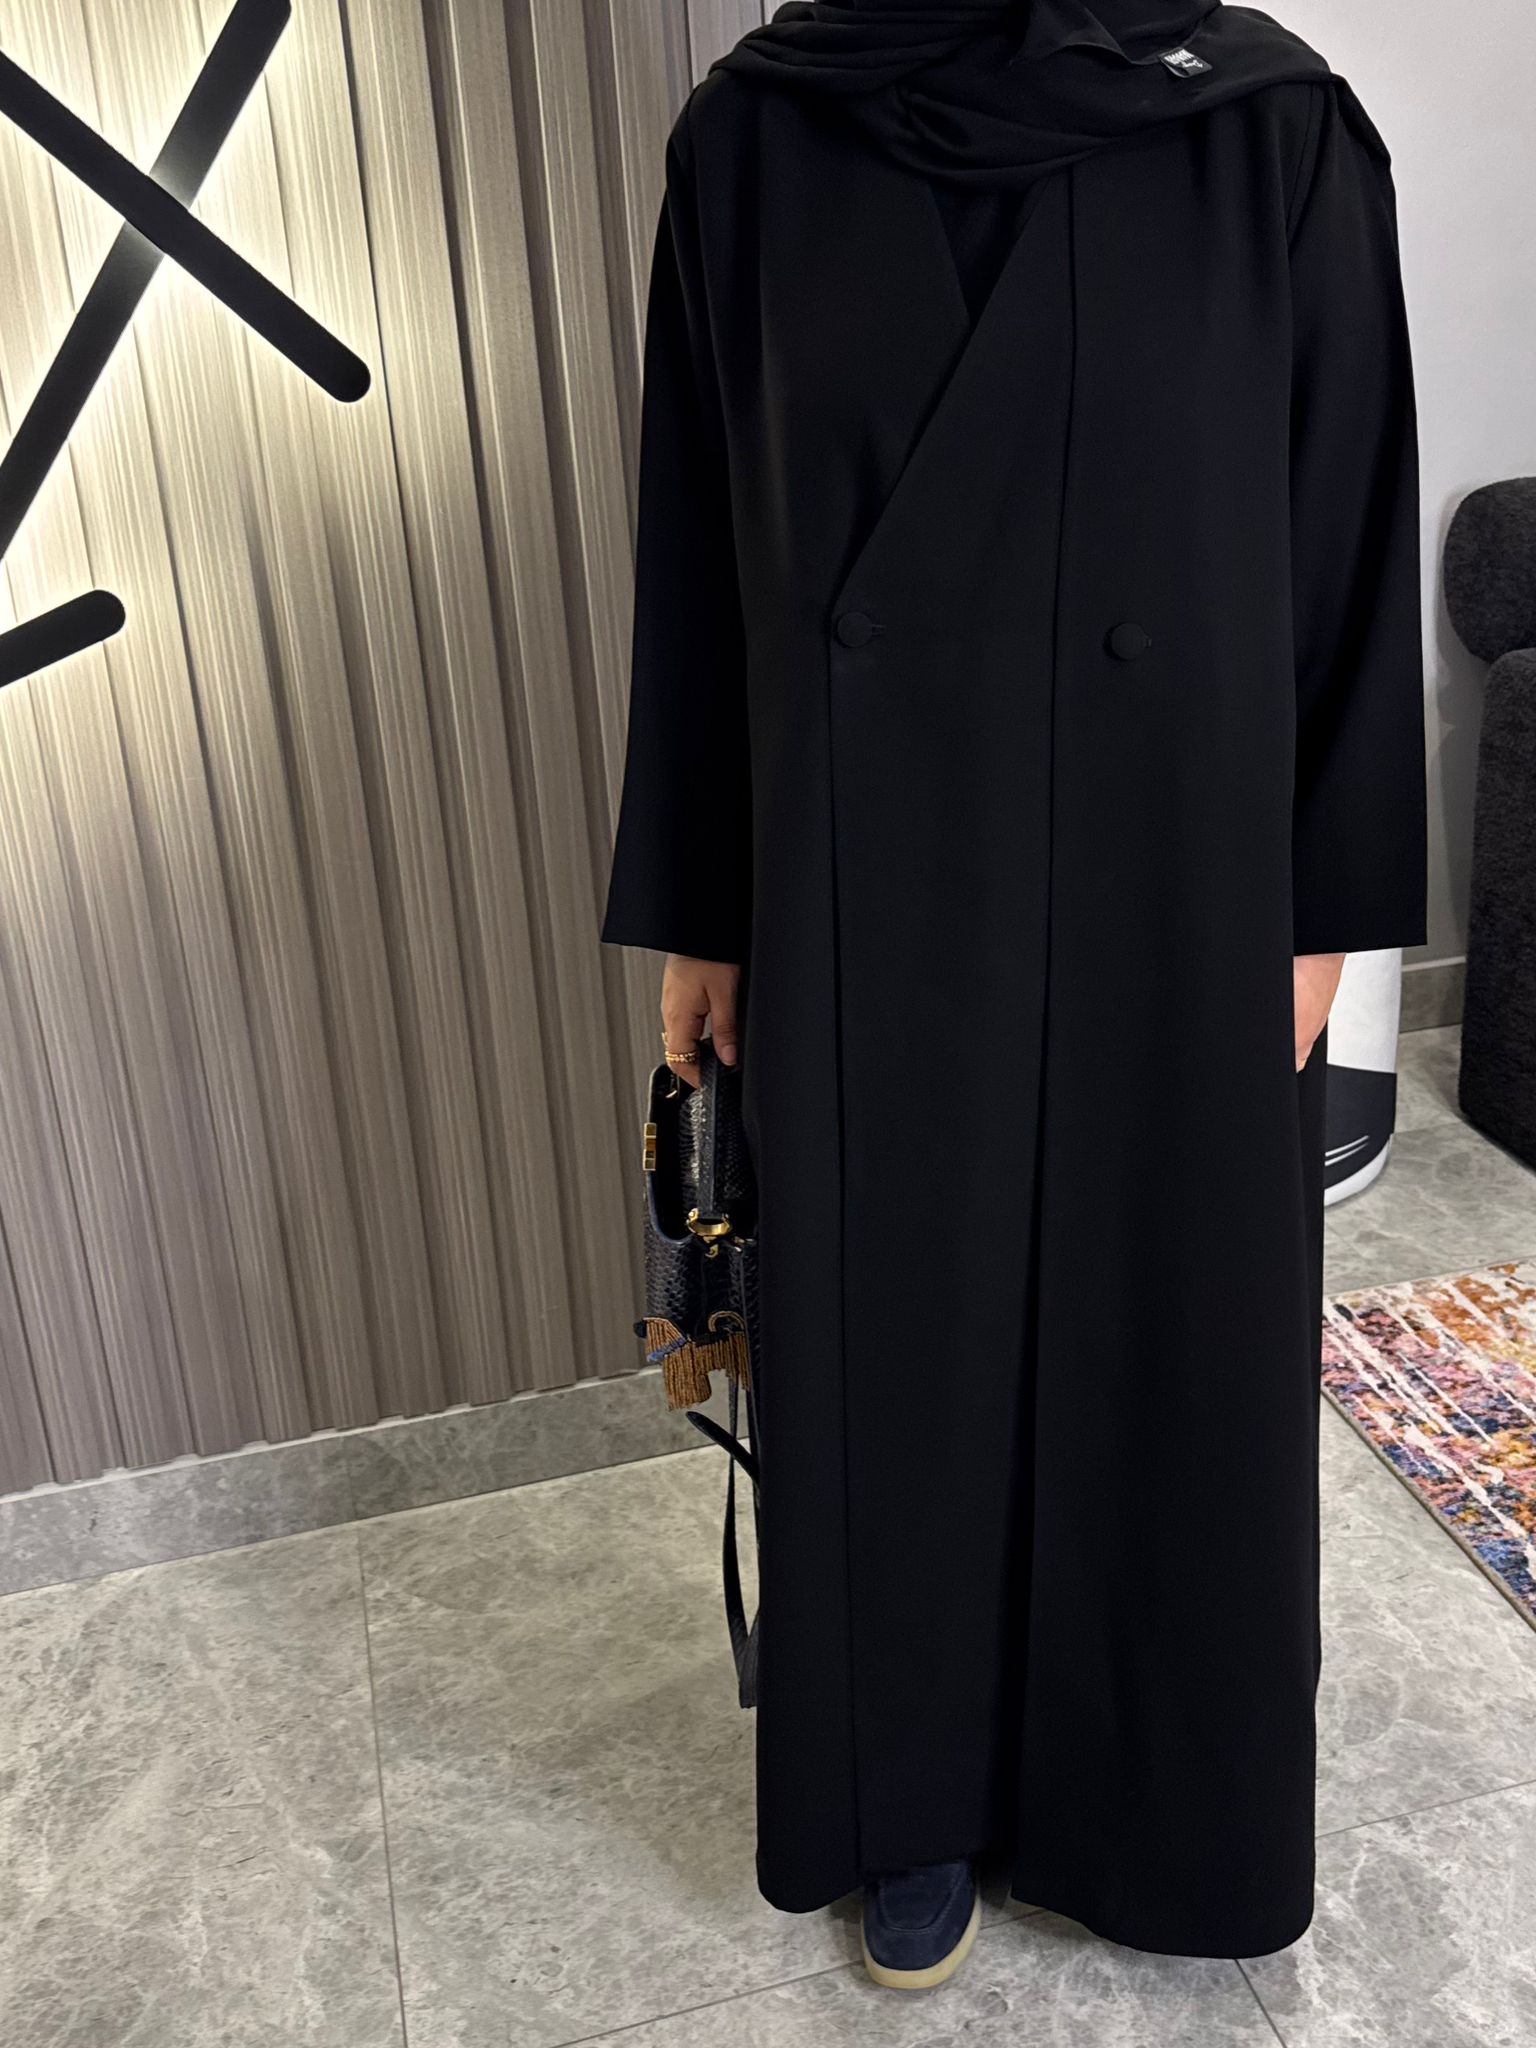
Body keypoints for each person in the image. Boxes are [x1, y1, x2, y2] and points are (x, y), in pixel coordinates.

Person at [600, 0, 1428, 1992]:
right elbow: (700, 562)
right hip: (866, 877)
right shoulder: (755, 141)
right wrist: (705, 911)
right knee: (902, 1321)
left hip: (1182, 874)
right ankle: (909, 1799)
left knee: (1167, 1320)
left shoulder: (1270, 134)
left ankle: (1165, 1796)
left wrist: (1325, 910)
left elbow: (1346, 529)